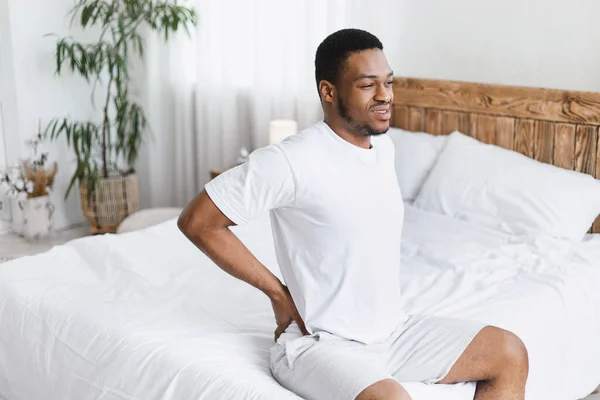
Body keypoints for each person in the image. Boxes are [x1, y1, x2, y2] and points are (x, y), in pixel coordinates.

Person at [177, 28, 529, 400]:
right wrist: (278, 294)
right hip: (321, 345)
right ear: (328, 91)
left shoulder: (383, 150)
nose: (385, 95)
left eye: (388, 82)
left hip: (393, 332)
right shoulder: (290, 160)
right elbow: (198, 222)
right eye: (368, 85)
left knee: (509, 352)